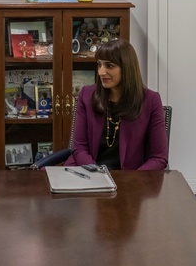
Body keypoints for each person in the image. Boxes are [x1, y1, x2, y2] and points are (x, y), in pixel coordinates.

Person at [65, 38, 168, 171]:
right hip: (89, 173)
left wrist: (133, 180)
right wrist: (98, 175)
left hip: (131, 180)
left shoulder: (150, 100)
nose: (101, 72)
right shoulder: (87, 94)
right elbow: (79, 148)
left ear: (127, 68)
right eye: (99, 65)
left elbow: (159, 158)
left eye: (110, 66)